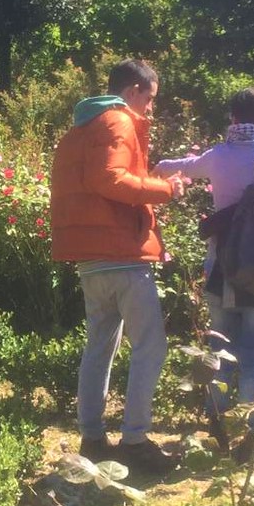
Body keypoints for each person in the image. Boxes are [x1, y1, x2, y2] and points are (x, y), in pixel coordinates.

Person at [155, 87, 254, 468]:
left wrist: (155, 168)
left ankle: (220, 436)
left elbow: (172, 166)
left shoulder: (217, 156)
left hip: (220, 270)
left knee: (220, 355)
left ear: (231, 118)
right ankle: (251, 445)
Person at [50, 59, 186, 476]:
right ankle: (136, 440)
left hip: (90, 257)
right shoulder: (117, 122)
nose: (150, 109)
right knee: (151, 345)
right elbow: (110, 180)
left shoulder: (79, 129)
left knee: (100, 346)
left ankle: (92, 438)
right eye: (150, 98)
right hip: (122, 254)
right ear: (133, 90)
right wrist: (167, 188)